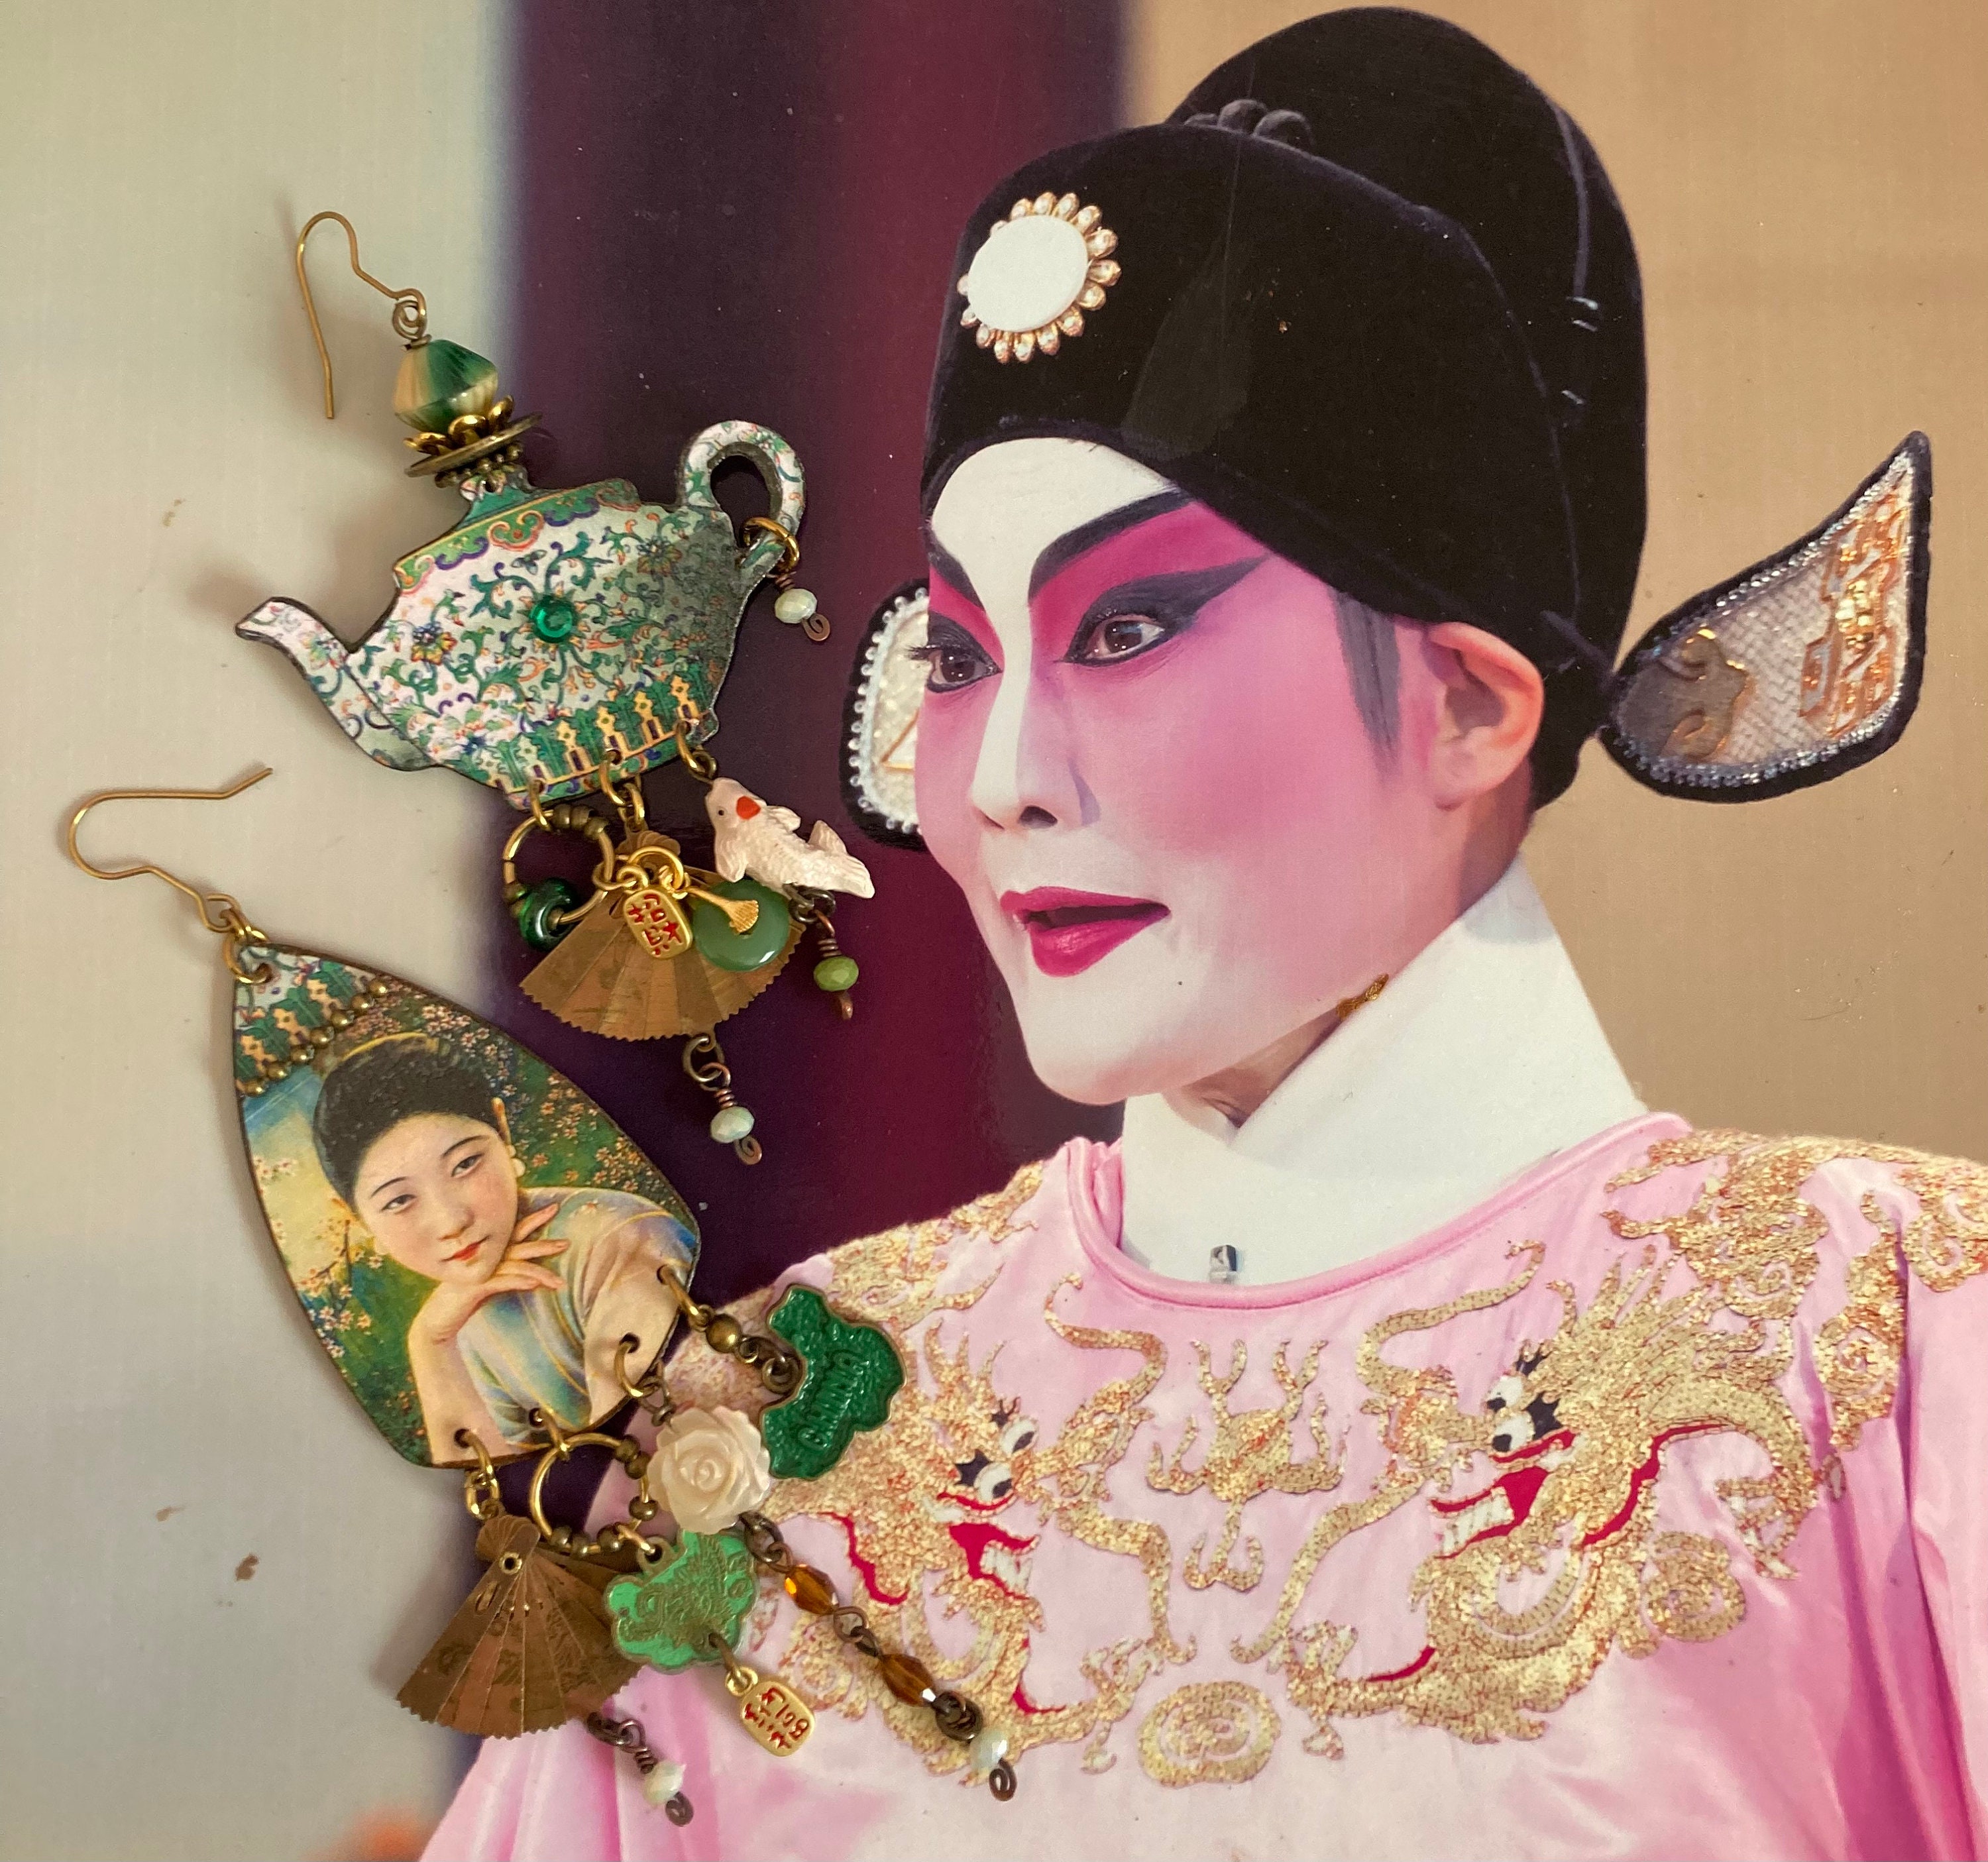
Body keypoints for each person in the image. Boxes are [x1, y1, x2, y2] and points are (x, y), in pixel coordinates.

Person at [428, 11, 1973, 1859]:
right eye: (962, 652)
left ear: (1471, 703)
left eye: (1127, 629)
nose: (1003, 778)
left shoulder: (1888, 1342)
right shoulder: (782, 1419)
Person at [313, 1034, 695, 1462]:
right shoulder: (460, 1317)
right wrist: (430, 1341)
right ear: (356, 1219)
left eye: (465, 1165)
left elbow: (634, 1449)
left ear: (502, 1127)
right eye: (400, 1201)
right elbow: (497, 1478)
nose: (451, 1222)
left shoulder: (617, 1240)